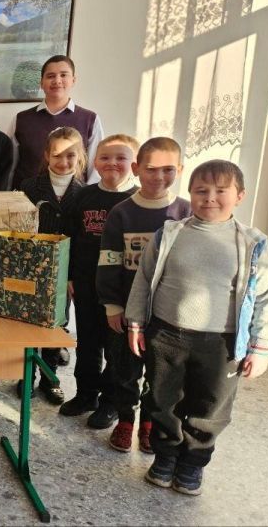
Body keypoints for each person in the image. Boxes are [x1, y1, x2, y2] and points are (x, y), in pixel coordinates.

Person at [126, 160, 268, 496]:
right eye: (201, 190)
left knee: (210, 406)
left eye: (220, 191)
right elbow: (144, 280)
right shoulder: (169, 234)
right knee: (162, 400)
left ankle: (193, 463)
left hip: (221, 343)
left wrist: (261, 347)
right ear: (190, 193)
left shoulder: (253, 244)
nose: (210, 197)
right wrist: (135, 323)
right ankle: (165, 457)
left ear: (239, 195)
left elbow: (267, 298)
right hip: (167, 335)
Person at [96, 136, 191, 454]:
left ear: (179, 169)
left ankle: (149, 424)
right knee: (125, 370)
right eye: (151, 169)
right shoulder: (121, 213)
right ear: (136, 169)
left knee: (161, 374)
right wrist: (112, 305)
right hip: (127, 310)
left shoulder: (186, 212)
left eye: (168, 169)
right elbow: (109, 260)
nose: (159, 176)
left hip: (168, 314)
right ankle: (126, 420)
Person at [59, 135, 139, 426]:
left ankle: (110, 403)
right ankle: (86, 394)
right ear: (95, 162)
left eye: (121, 158)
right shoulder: (83, 196)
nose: (112, 163)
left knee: (116, 348)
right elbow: (69, 238)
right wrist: (69, 276)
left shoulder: (138, 200)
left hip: (122, 290)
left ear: (135, 164)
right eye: (105, 157)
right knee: (88, 343)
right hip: (86, 283)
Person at [18, 126, 87, 404]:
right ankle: (26, 377)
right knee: (27, 323)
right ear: (47, 155)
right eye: (57, 155)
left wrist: (73, 276)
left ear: (80, 157)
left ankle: (51, 378)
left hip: (64, 273)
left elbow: (83, 239)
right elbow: (18, 228)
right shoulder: (28, 187)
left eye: (70, 155)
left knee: (56, 325)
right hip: (32, 268)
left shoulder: (85, 193)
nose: (63, 161)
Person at [8, 55, 104, 190]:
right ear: (41, 83)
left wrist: (88, 197)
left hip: (75, 198)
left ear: (73, 80)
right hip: (26, 197)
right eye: (50, 76)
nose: (57, 81)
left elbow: (95, 170)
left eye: (63, 75)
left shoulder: (90, 119)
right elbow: (9, 166)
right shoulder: (21, 119)